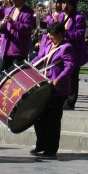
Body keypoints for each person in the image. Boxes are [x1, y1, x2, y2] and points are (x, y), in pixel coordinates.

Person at [30, 21, 77, 160]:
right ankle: (41, 144)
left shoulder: (66, 47)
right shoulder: (49, 45)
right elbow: (40, 57)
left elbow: (69, 66)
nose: (49, 36)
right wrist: (30, 65)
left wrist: (59, 79)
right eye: (49, 34)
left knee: (53, 120)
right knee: (38, 117)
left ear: (60, 34)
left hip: (57, 89)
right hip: (44, 85)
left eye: (52, 34)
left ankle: (51, 148)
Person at [0, 0, 36, 72]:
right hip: (6, 48)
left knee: (16, 74)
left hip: (18, 50)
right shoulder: (8, 10)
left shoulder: (28, 12)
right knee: (2, 71)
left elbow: (27, 28)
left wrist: (12, 22)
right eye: (13, 0)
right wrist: (1, 27)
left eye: (16, 0)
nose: (13, 2)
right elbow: (5, 29)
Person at [61, 0, 86, 110]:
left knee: (73, 77)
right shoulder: (61, 16)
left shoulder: (79, 17)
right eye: (63, 3)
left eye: (67, 3)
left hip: (74, 52)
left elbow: (79, 34)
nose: (64, 5)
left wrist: (64, 33)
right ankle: (63, 99)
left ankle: (70, 102)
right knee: (64, 76)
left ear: (72, 5)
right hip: (62, 52)